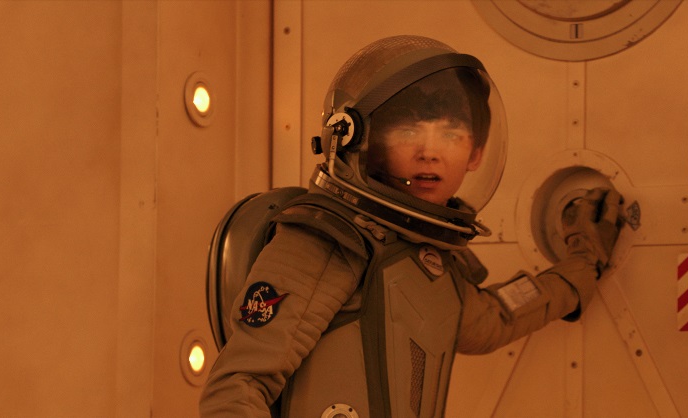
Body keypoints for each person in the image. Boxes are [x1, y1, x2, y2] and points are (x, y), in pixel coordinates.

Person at [200, 35, 623, 418]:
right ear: (364, 141)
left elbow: (495, 318)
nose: (429, 153)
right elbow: (236, 388)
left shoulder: (428, 261)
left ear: (475, 153)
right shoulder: (327, 240)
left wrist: (583, 262)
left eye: (451, 135)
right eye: (407, 132)